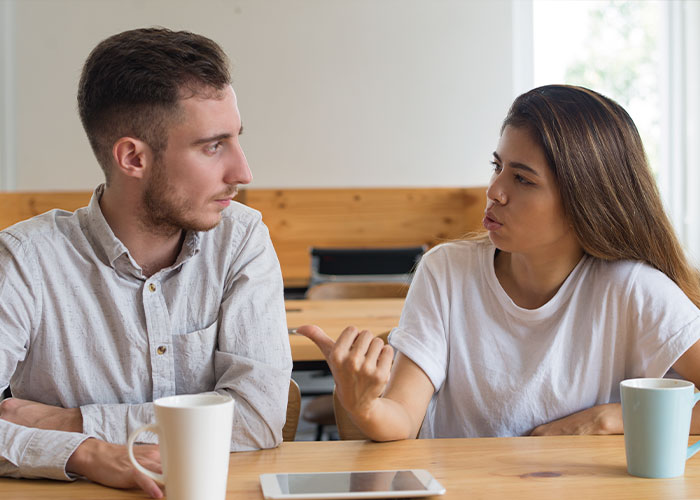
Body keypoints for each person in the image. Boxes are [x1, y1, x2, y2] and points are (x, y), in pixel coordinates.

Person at [300, 84, 700, 442]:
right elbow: (403, 417)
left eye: (522, 179)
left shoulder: (632, 289)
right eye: (498, 167)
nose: (494, 191)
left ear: (586, 200)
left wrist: (615, 419)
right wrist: (366, 406)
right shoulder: (446, 271)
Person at [0, 28, 292, 497]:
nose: (243, 173)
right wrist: (88, 454)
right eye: (213, 146)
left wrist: (72, 423)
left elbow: (257, 417)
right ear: (133, 157)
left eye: (236, 139)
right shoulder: (25, 260)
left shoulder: (241, 240)